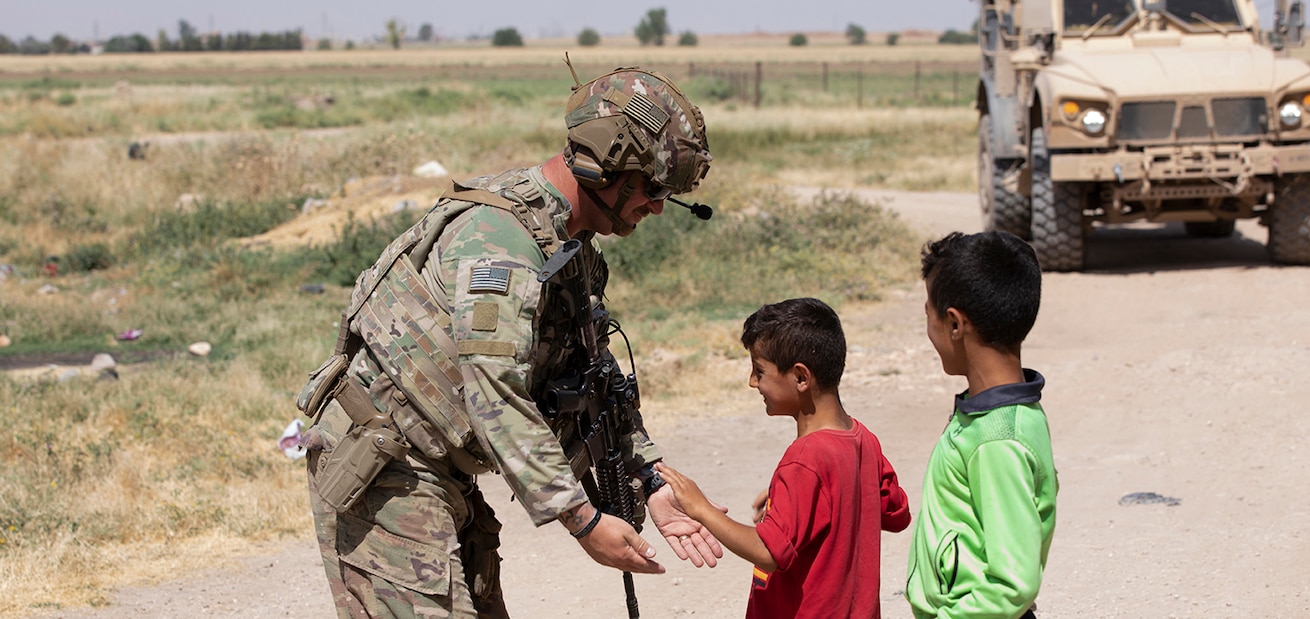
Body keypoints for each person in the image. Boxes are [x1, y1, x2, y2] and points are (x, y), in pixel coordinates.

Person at [295, 64, 722, 618]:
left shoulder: (567, 244)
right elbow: (495, 388)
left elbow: (595, 377)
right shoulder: (499, 243)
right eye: (653, 187)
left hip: (440, 466)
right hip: (388, 465)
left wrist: (645, 478)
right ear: (604, 166)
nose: (659, 206)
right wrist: (582, 520)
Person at [656, 297, 912, 619]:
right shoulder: (864, 440)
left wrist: (700, 508)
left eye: (759, 371)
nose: (752, 382)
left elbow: (767, 552)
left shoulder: (805, 459)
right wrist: (797, 499)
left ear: (801, 378)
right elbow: (896, 512)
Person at [905, 230, 1058, 619]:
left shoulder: (996, 439)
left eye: (929, 314)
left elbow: (1013, 584)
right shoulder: (1005, 414)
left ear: (955, 324)